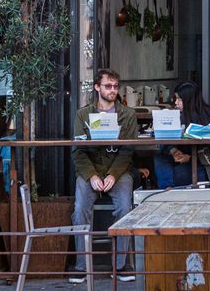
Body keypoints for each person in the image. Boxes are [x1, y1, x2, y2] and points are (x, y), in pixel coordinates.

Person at [70, 68, 137, 283]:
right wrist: (91, 176)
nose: (112, 90)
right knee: (80, 209)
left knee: (125, 208)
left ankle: (121, 265)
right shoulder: (83, 114)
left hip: (118, 171)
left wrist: (113, 175)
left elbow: (127, 151)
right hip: (90, 171)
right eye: (108, 86)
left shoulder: (128, 115)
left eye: (116, 86)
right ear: (97, 87)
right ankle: (82, 266)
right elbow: (78, 151)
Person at [153, 81, 210, 188]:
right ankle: (168, 189)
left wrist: (190, 158)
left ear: (189, 100)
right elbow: (166, 140)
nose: (176, 102)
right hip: (179, 159)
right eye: (176, 99)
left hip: (200, 165)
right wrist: (173, 150)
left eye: (179, 99)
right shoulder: (177, 116)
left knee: (175, 174)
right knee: (159, 159)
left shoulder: (209, 117)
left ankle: (168, 190)